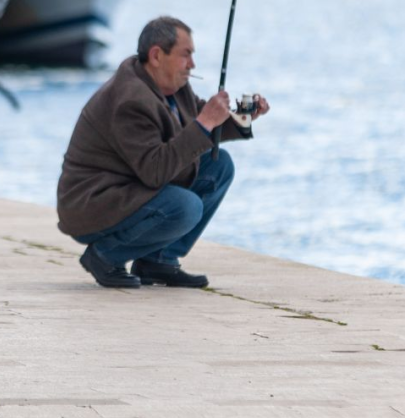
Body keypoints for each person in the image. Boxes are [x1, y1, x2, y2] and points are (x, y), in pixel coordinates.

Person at [56, 16, 269, 289]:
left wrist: (242, 116)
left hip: (130, 187)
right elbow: (155, 171)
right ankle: (105, 255)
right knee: (185, 207)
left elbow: (200, 128)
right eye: (186, 55)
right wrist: (205, 121)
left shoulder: (172, 87)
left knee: (219, 165)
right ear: (157, 55)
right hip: (94, 203)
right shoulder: (131, 99)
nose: (192, 64)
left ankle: (158, 261)